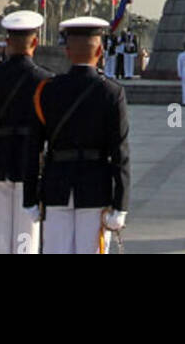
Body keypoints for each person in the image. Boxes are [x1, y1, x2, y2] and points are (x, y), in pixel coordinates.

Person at [22, 15, 130, 254]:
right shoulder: (112, 92)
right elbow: (120, 152)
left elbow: (33, 147)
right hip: (95, 188)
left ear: (67, 52)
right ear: (100, 51)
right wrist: (120, 205)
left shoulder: (47, 90)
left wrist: (29, 197)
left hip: (56, 187)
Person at [0, 10, 51, 254]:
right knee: (27, 235)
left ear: (7, 42)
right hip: (30, 164)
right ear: (35, 42)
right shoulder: (46, 81)